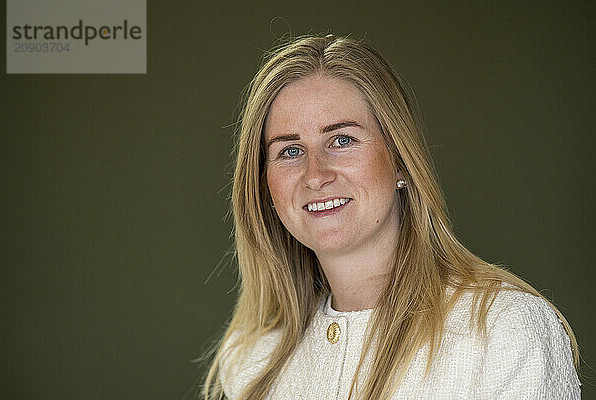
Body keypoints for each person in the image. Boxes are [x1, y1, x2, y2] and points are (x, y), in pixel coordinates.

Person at [202, 33, 581, 399]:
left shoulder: (504, 330)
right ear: (264, 186)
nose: (316, 175)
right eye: (289, 152)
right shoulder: (251, 361)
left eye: (342, 140)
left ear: (400, 160)